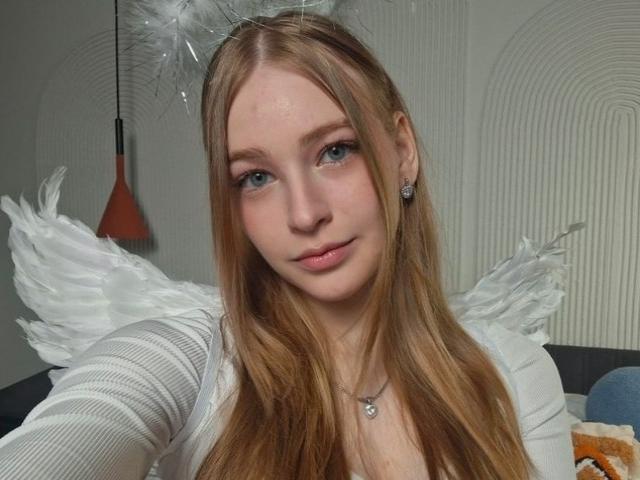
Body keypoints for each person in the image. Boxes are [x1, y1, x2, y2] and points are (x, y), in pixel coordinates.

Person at [0, 10, 575, 480]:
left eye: (335, 151)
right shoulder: (184, 365)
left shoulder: (515, 374)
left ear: (402, 150)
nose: (304, 214)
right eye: (256, 177)